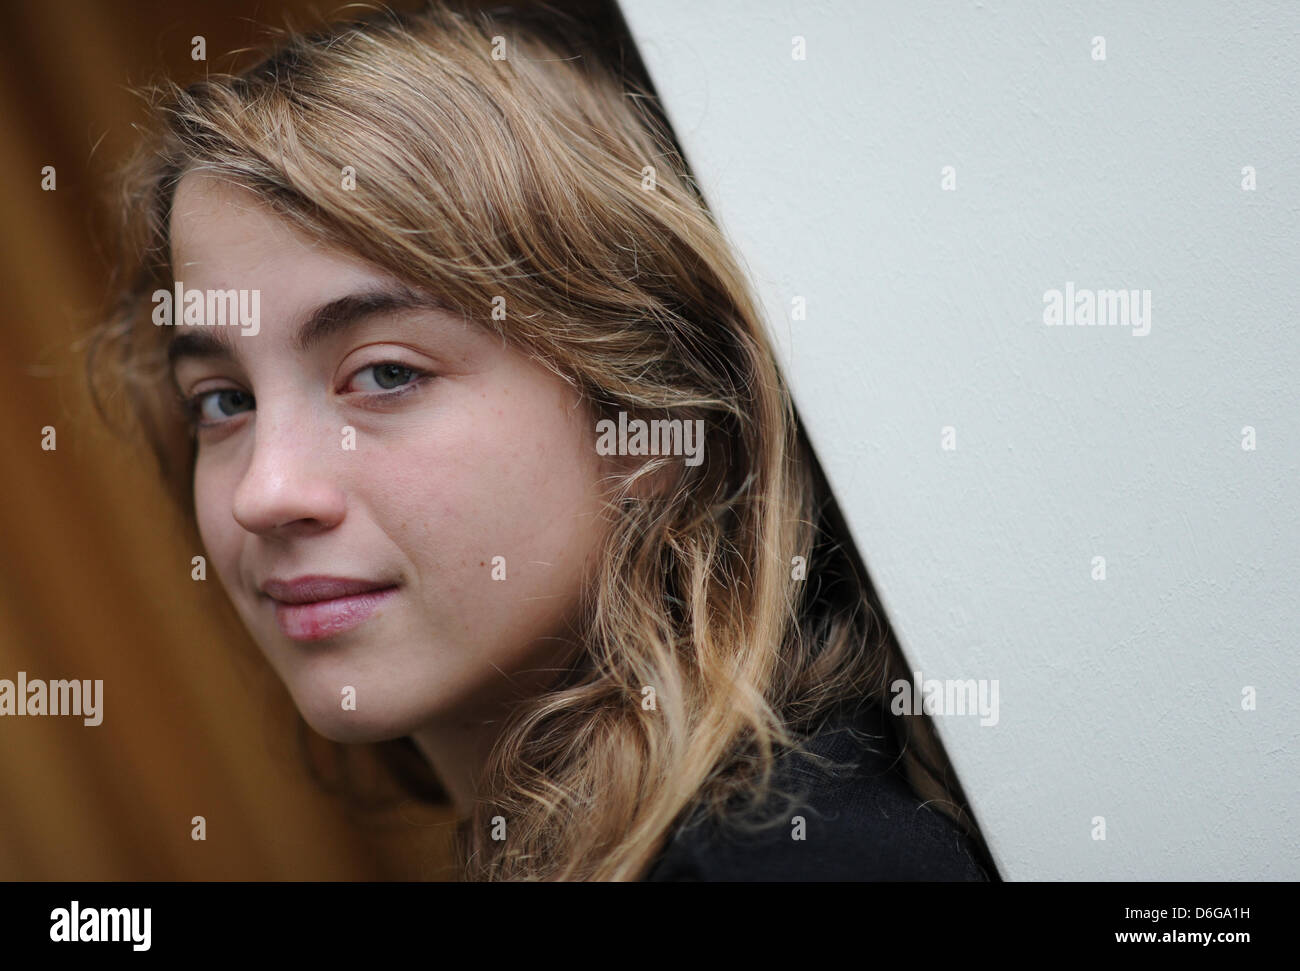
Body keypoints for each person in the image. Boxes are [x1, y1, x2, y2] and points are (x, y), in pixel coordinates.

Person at [89, 0, 996, 881]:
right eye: (221, 401)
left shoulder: (797, 858)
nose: (264, 491)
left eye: (387, 373)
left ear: (649, 423)